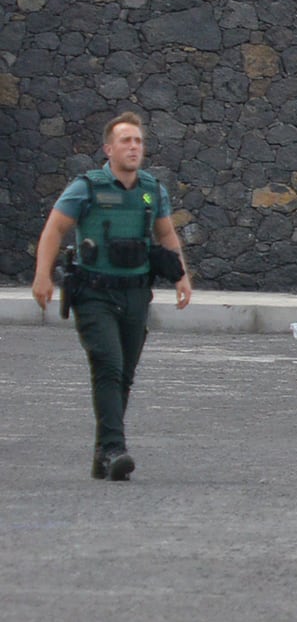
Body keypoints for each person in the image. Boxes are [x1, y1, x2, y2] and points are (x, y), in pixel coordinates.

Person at [29, 112, 194, 480]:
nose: (133, 147)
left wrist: (182, 276)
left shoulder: (152, 189)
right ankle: (114, 448)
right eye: (125, 141)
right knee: (108, 364)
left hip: (136, 294)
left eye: (138, 141)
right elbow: (54, 229)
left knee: (124, 375)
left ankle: (103, 451)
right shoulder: (87, 187)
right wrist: (43, 276)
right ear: (108, 148)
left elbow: (166, 235)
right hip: (93, 293)